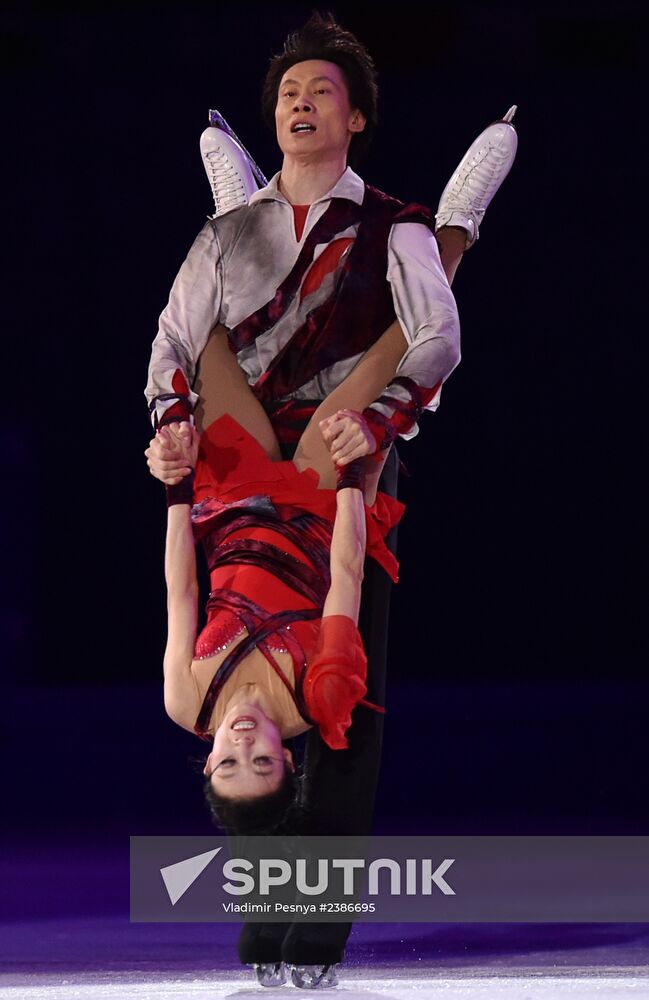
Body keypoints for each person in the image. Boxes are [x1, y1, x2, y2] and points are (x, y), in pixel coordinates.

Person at [145, 10, 517, 990]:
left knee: (401, 292)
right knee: (300, 407)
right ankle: (414, 221)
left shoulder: (193, 698)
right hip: (309, 488)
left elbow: (433, 341)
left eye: (319, 92)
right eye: (287, 93)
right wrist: (347, 470)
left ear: (354, 119)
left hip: (271, 471)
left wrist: (183, 466)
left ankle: (450, 222)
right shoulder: (287, 702)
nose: (301, 102)